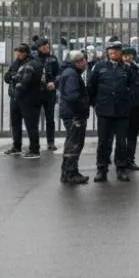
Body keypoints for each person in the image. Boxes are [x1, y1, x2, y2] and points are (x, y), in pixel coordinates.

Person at [88, 40, 132, 182]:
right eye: (111, 50)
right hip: (104, 110)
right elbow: (91, 87)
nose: (113, 52)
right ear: (107, 52)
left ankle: (121, 168)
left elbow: (133, 88)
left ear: (120, 52)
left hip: (121, 111)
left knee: (121, 142)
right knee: (103, 142)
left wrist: (128, 104)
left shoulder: (127, 68)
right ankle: (102, 168)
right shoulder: (99, 67)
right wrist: (96, 104)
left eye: (117, 50)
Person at [56, 51, 91, 185]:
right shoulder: (71, 75)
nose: (84, 63)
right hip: (74, 115)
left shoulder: (71, 72)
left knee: (73, 143)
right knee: (74, 144)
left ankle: (71, 172)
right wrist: (83, 104)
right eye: (82, 61)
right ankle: (69, 173)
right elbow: (72, 97)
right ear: (76, 62)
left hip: (72, 113)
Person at [120, 46, 139, 171]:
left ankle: (130, 159)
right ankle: (122, 160)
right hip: (124, 107)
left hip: (135, 107)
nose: (127, 57)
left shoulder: (137, 68)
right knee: (122, 136)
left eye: (129, 55)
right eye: (125, 55)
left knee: (132, 135)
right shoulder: (120, 69)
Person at [34, 38, 61, 152]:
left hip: (49, 93)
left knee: (50, 119)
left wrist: (54, 83)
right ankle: (34, 144)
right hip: (36, 93)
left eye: (47, 46)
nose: (46, 47)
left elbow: (59, 74)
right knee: (34, 119)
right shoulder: (33, 60)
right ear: (38, 48)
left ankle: (51, 142)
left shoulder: (53, 59)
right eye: (43, 46)